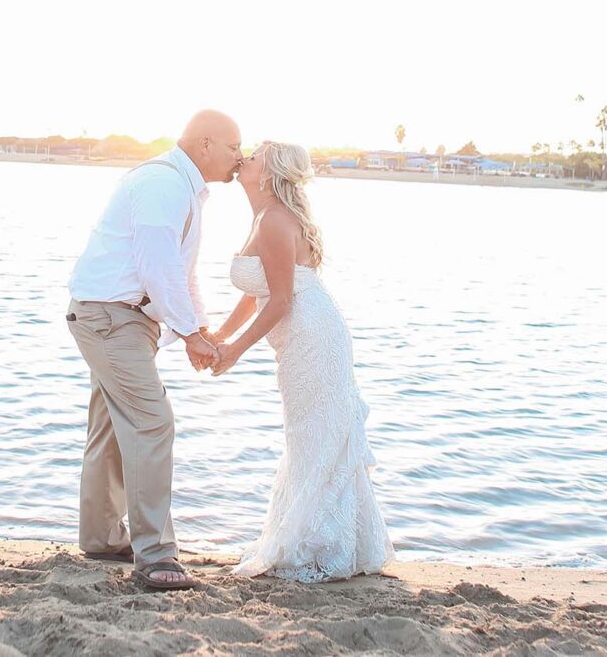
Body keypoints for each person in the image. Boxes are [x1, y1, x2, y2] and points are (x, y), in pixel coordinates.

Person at [64, 110, 242, 590]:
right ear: (205, 144)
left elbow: (181, 272)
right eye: (233, 147)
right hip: (111, 319)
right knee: (151, 421)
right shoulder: (164, 184)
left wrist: (199, 327)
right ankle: (156, 556)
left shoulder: (182, 187)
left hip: (119, 320)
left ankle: (102, 537)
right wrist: (190, 335)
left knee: (110, 425)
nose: (239, 158)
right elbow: (157, 267)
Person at [211, 140, 394, 583]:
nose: (243, 159)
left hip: (312, 336)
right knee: (309, 433)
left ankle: (322, 544)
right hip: (302, 335)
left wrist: (234, 350)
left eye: (252, 156)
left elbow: (278, 300)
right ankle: (322, 536)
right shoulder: (264, 216)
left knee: (317, 433)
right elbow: (255, 291)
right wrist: (220, 333)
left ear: (270, 173)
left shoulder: (275, 220)